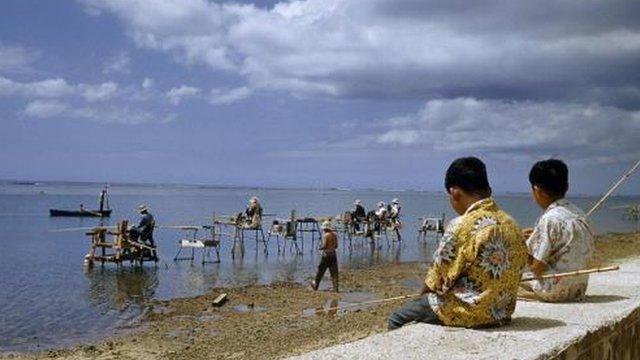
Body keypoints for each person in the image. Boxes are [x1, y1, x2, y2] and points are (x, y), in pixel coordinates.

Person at [388, 157, 527, 330]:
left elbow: (436, 281)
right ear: (488, 190)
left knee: (397, 318)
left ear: (455, 193)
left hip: (469, 313)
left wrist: (421, 300)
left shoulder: (462, 225)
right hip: (501, 312)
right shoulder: (512, 224)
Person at [519, 159, 594, 302]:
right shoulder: (580, 214)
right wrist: (538, 235)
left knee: (505, 279)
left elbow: (537, 268)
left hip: (555, 290)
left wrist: (519, 243)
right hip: (578, 288)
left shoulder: (549, 219)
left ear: (537, 190)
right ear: (566, 186)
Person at [310, 221, 339, 292]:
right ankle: (336, 288)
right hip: (333, 254)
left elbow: (325, 245)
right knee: (334, 272)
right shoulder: (335, 235)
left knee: (320, 271)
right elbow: (336, 246)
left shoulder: (326, 235)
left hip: (326, 255)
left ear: (325, 229)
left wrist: (320, 247)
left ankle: (315, 285)